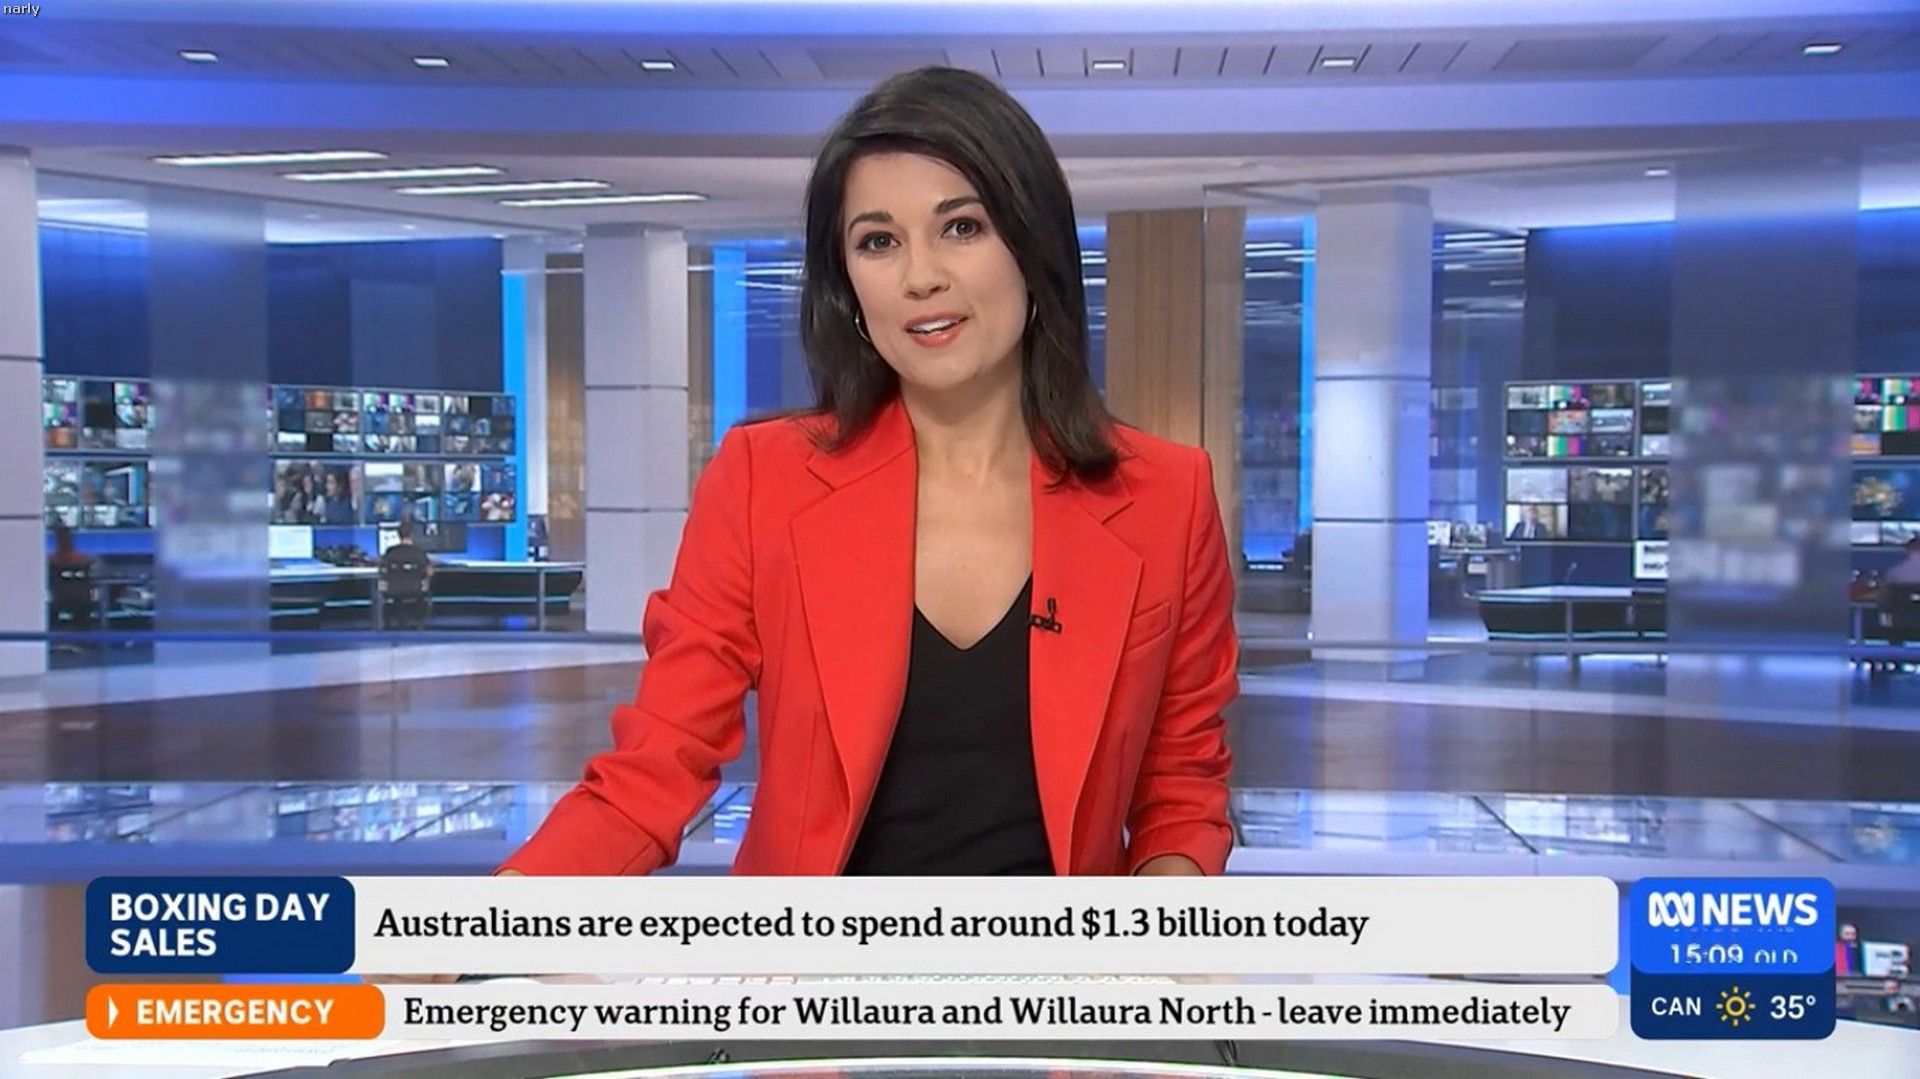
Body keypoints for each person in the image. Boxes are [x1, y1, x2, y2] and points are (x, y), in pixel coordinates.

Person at [501, 66, 1236, 882]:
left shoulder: (1166, 496)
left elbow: (1180, 786)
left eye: (962, 227)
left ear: (1033, 246)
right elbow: (654, 767)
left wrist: (1159, 919)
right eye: (878, 241)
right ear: (847, 283)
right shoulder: (763, 481)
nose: (921, 276)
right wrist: (490, 919)